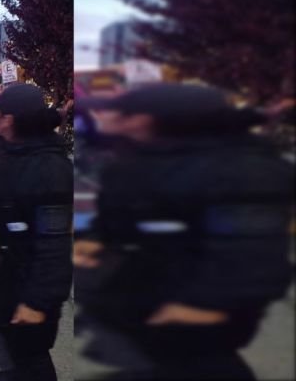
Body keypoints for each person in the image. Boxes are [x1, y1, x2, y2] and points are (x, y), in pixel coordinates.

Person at [75, 83, 293, 380]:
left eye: (118, 110)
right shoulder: (141, 159)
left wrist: (205, 306)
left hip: (197, 306)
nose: (101, 115)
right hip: (149, 295)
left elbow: (252, 252)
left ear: (147, 120)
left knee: (205, 365)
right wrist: (99, 239)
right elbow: (128, 216)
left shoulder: (239, 169)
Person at [0, 84, 73, 381]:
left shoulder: (49, 171)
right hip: (17, 259)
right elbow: (7, 206)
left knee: (31, 347)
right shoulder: (14, 151)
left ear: (10, 120)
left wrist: (37, 303)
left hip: (37, 271)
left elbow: (55, 247)